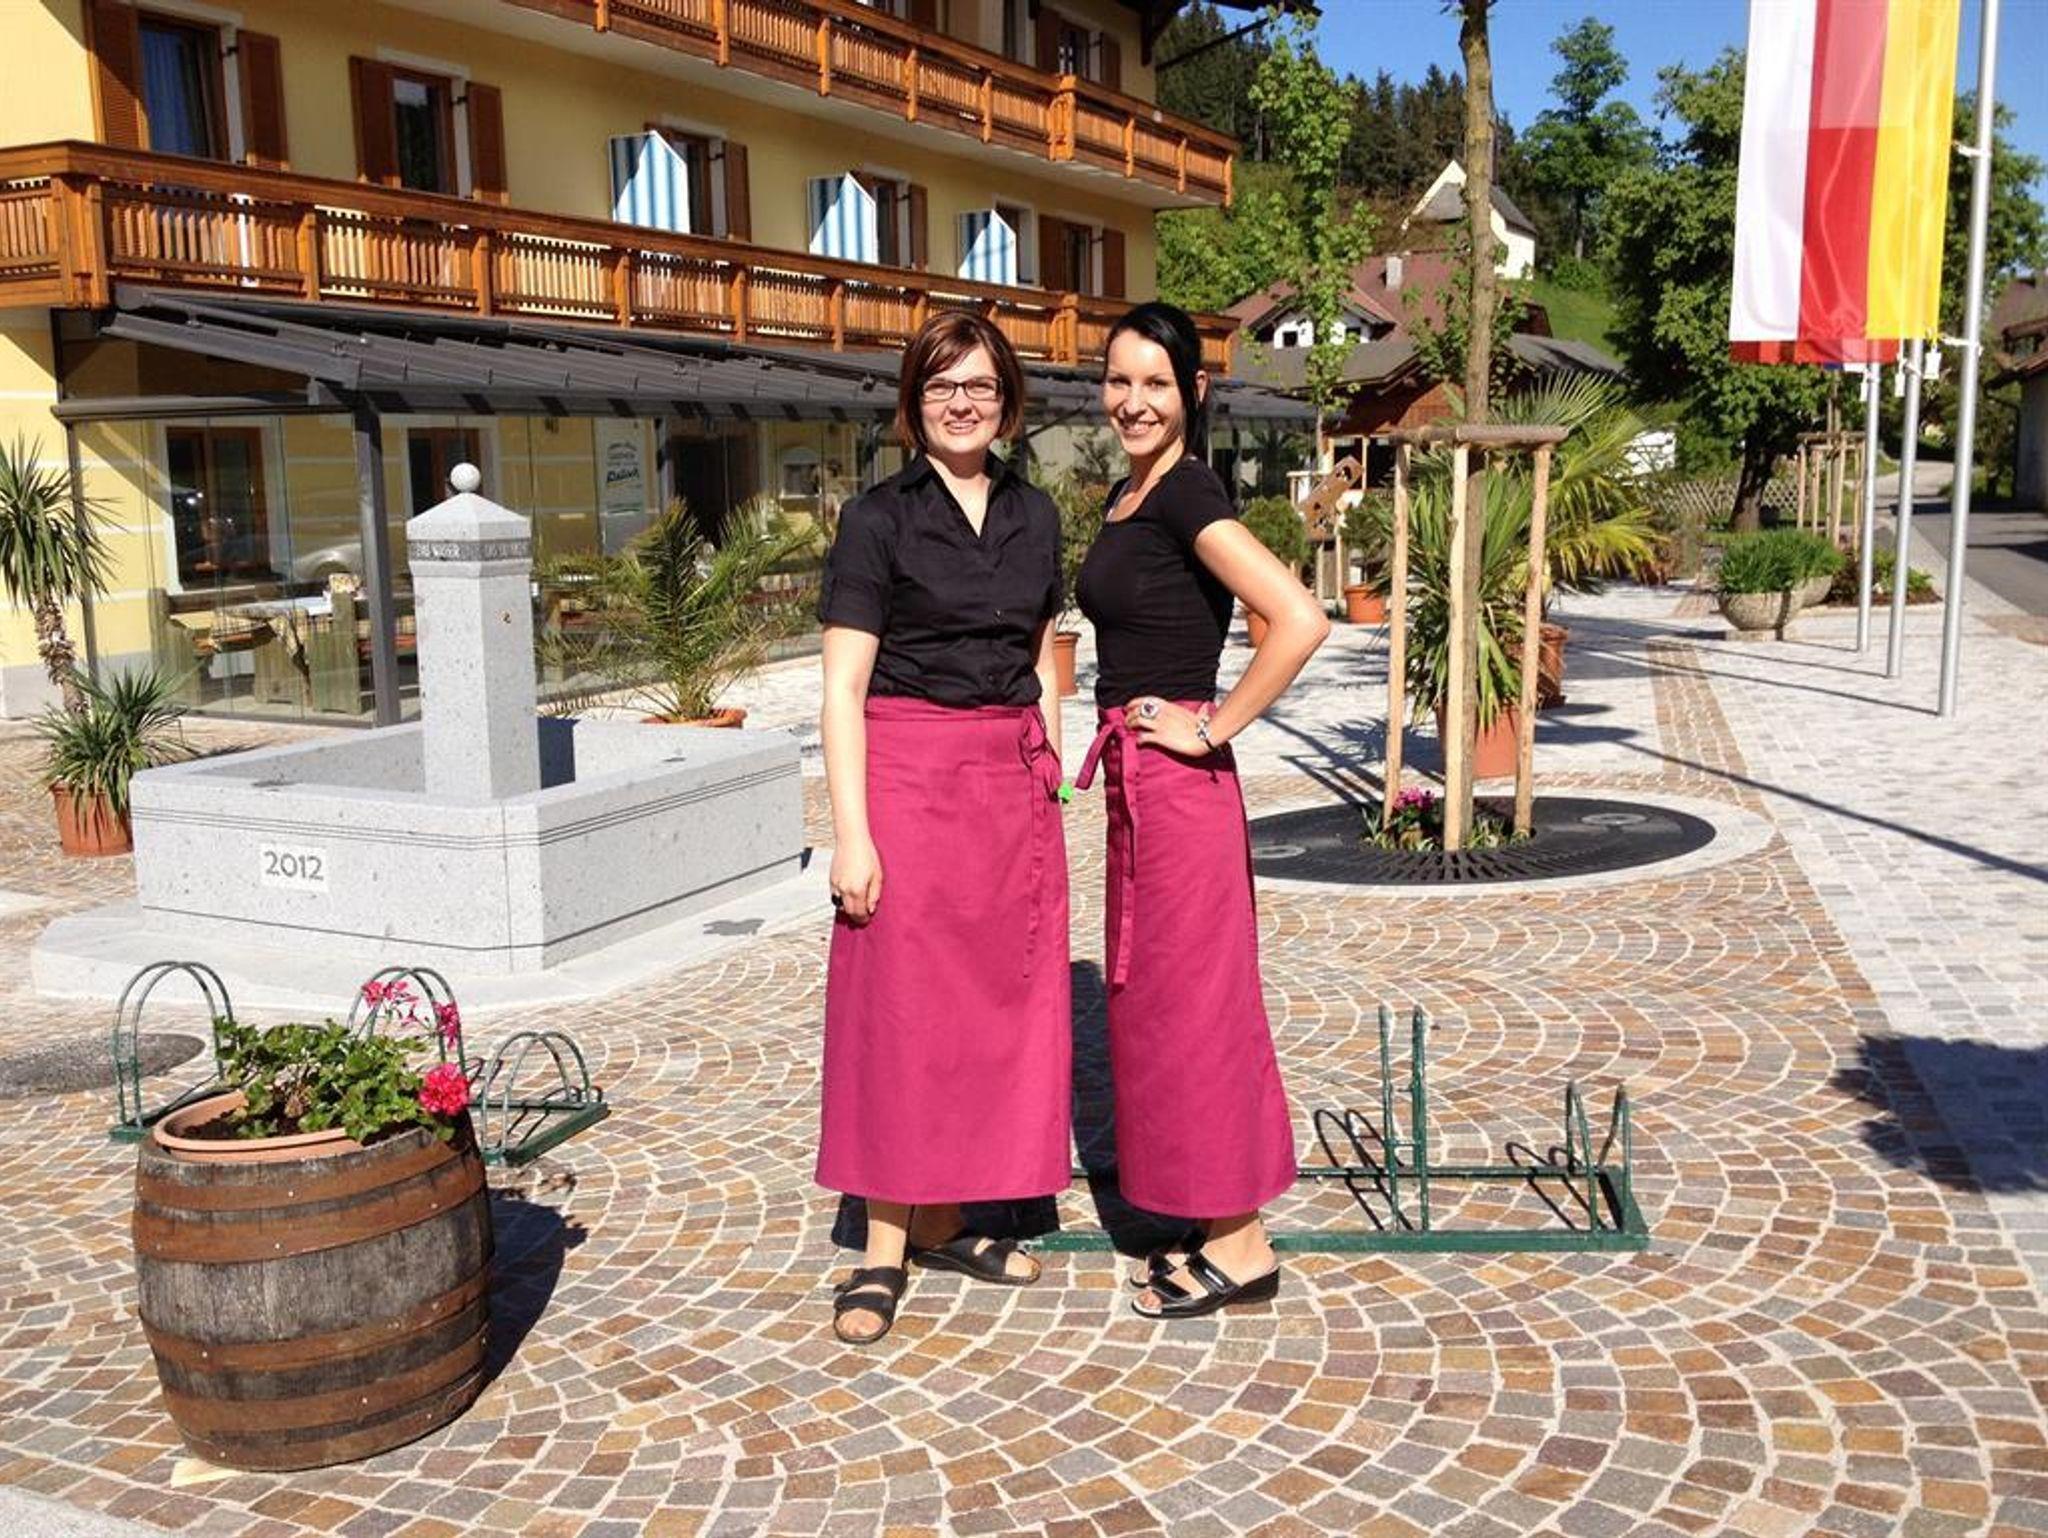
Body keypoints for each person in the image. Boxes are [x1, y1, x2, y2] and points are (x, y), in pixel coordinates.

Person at [814, 311, 1070, 1345]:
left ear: (1007, 401)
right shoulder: (876, 519)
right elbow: (843, 688)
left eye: (979, 385)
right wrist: (853, 834)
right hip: (910, 779)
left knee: (994, 1011)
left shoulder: (1037, 513)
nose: (961, 403)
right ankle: (883, 1244)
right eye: (940, 386)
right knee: (903, 1013)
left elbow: (1044, 647)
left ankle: (950, 1215)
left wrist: (1051, 762)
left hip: (1009, 788)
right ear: (912, 402)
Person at [1073, 301, 1330, 1320]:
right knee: (1152, 1008)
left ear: (1194, 391)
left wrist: (1212, 726)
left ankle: (1241, 1242)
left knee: (1196, 1008)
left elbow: (1297, 617)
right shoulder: (1128, 493)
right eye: (1118, 380)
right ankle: (1197, 1208)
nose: (1133, 401)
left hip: (1179, 793)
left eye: (1155, 383)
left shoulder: (1185, 492)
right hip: (1137, 788)